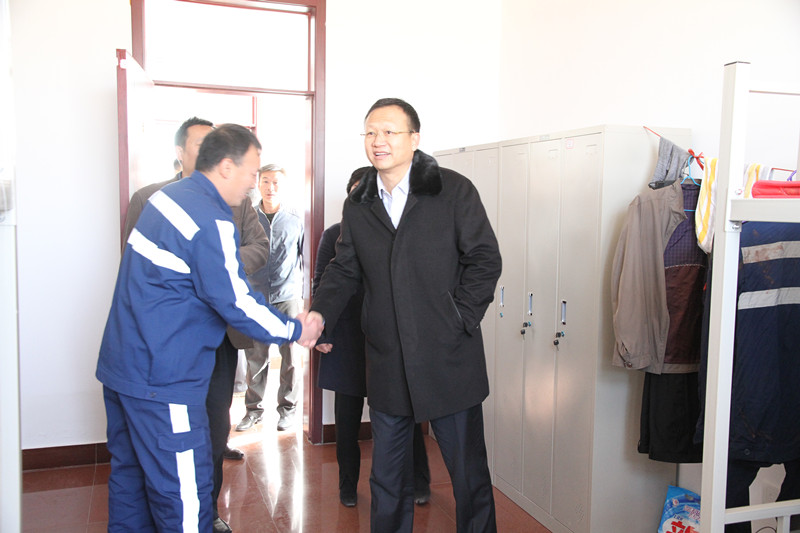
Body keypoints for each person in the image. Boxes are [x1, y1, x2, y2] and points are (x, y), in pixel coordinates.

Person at [97, 123, 321, 532]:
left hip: (122, 369)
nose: (254, 184)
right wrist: (295, 330)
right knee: (183, 497)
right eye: (251, 172)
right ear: (225, 166)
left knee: (130, 481)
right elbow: (236, 301)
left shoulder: (166, 198)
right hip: (163, 379)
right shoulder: (208, 218)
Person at [307, 98, 501, 532]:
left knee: (468, 476)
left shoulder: (453, 190)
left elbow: (485, 260)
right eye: (371, 132)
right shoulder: (359, 202)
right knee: (388, 479)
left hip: (449, 358)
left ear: (414, 139)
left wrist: (458, 318)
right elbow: (344, 268)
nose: (378, 141)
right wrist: (320, 313)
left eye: (390, 132)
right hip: (387, 360)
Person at [121, 117, 268, 533]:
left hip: (220, 337)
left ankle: (207, 513)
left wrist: (217, 261)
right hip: (166, 341)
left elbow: (260, 246)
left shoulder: (238, 200)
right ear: (180, 152)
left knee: (213, 428)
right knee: (164, 431)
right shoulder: (149, 199)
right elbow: (135, 267)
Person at [313, 168, 431, 508]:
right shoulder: (333, 235)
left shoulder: (397, 231)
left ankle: (419, 481)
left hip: (389, 339)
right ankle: (347, 486)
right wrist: (323, 330)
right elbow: (322, 283)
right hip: (347, 339)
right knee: (347, 422)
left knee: (405, 417)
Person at [236, 164, 306, 432]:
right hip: (255, 297)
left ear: (283, 186)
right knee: (255, 358)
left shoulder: (296, 218)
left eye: (276, 182)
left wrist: (306, 300)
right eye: (265, 181)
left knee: (291, 358)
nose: (270, 187)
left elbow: (304, 257)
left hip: (287, 296)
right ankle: (253, 410)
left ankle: (287, 410)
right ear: (258, 183)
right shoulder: (248, 218)